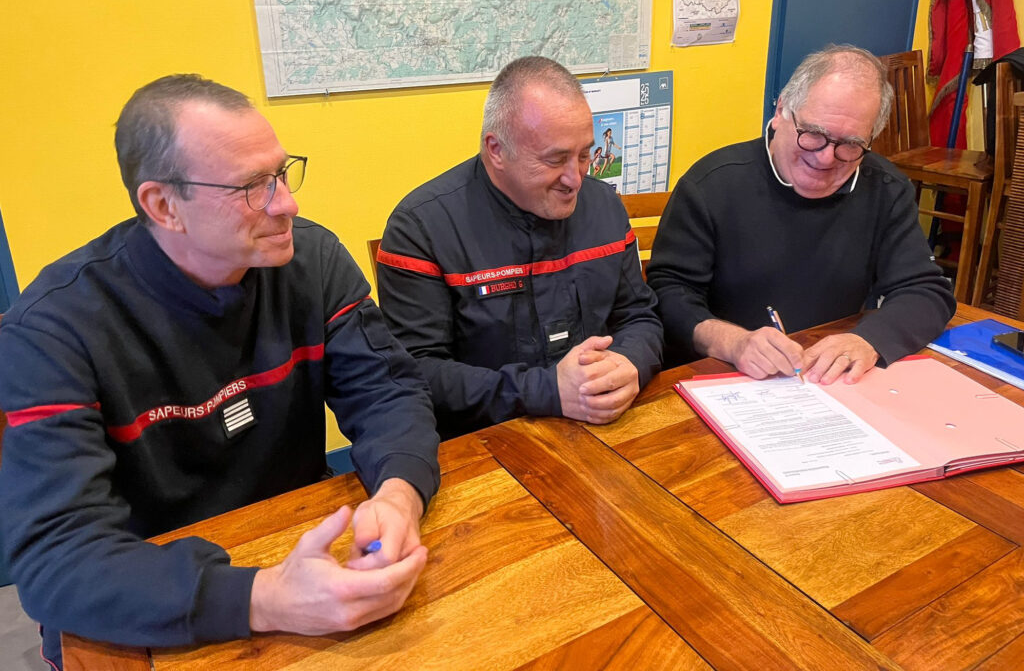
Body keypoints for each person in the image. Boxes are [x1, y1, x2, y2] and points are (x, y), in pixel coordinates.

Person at [0, 75, 441, 669]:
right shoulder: (52, 330)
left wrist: (399, 494)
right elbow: (56, 561)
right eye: (252, 186)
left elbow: (390, 394)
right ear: (163, 205)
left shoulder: (312, 259)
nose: (286, 204)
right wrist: (266, 598)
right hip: (150, 600)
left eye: (281, 173)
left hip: (304, 550)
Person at [376, 56, 663, 440]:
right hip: (489, 441)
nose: (575, 179)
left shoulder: (604, 207)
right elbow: (416, 371)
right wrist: (546, 391)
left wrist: (631, 363)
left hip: (604, 426)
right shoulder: (421, 228)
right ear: (496, 149)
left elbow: (640, 316)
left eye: (584, 155)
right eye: (555, 159)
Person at [646, 44, 955, 381]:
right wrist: (733, 342)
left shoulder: (886, 189)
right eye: (814, 134)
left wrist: (868, 340)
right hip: (719, 375)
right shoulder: (711, 185)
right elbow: (667, 294)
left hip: (826, 379)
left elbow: (927, 292)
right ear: (781, 111)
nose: (825, 158)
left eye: (850, 144)